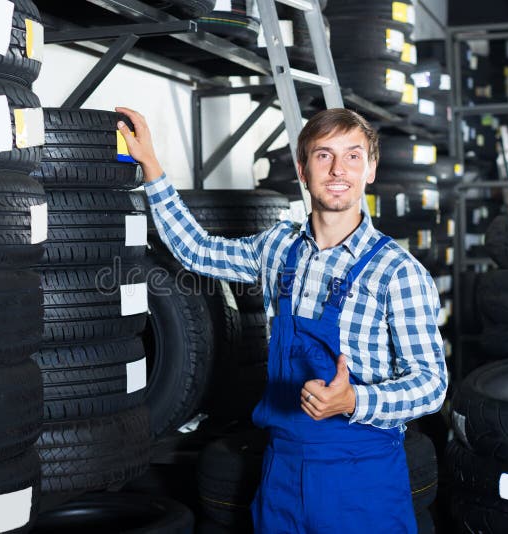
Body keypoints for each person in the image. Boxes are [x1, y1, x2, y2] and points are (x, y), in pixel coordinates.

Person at [115, 106, 448, 533]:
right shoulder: (278, 248)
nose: (338, 169)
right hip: (281, 475)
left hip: (360, 479)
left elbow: (432, 383)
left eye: (353, 156)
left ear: (370, 170)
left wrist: (354, 402)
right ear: (302, 170)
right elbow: (198, 251)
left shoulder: (398, 272)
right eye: (323, 155)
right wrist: (152, 168)